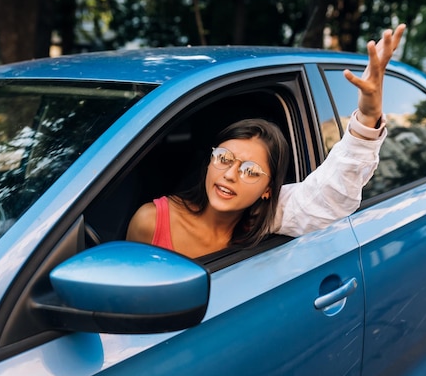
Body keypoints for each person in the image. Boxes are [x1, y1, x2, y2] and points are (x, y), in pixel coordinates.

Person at [126, 24, 406, 259]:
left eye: (250, 171)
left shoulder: (265, 220)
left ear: (268, 190)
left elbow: (331, 195)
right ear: (210, 161)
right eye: (223, 157)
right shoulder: (150, 221)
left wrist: (368, 117)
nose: (230, 174)